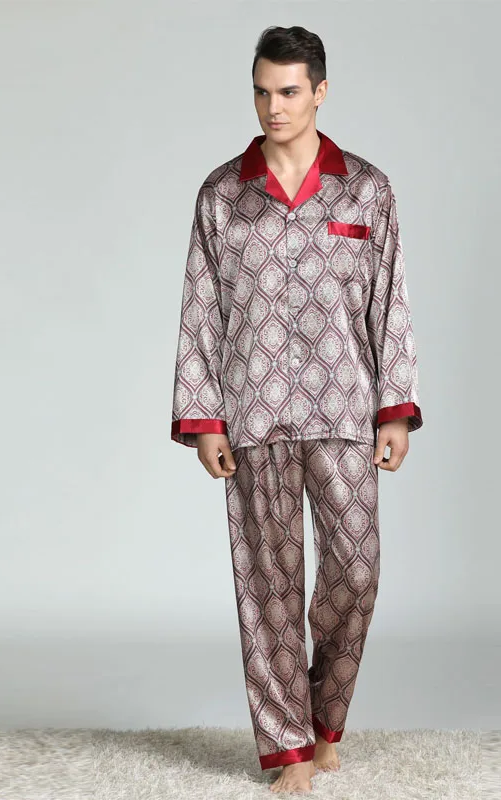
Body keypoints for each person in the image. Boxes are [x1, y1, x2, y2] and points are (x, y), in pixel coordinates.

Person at [170, 25, 423, 795]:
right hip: (254, 413)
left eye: (287, 91)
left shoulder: (366, 189)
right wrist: (205, 419)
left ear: (320, 92)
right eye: (261, 92)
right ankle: (287, 751)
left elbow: (391, 305)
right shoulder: (222, 195)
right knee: (268, 584)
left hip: (345, 408)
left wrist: (393, 408)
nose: (272, 107)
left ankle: (323, 721)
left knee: (356, 570)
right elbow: (200, 312)